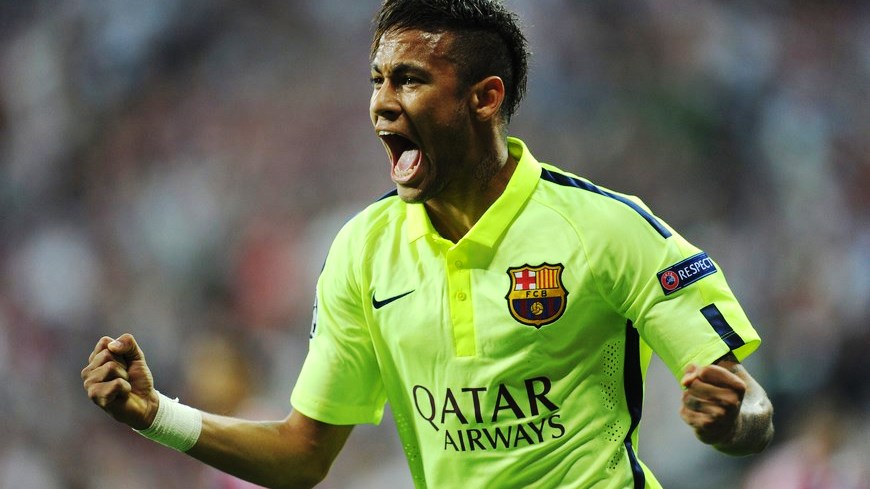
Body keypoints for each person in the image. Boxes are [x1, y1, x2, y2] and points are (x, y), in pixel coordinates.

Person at [81, 1, 774, 488]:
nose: (382, 103)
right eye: (377, 81)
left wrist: (728, 423)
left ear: (485, 98)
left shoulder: (607, 228)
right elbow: (303, 454)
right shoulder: (363, 252)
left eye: (410, 79)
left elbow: (752, 408)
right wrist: (156, 415)